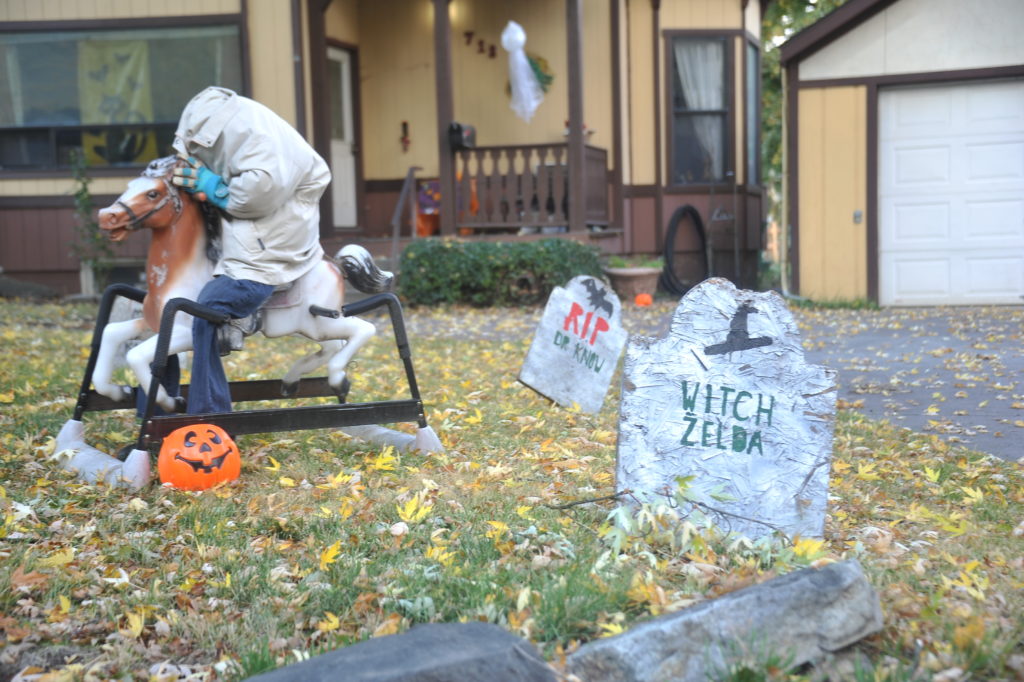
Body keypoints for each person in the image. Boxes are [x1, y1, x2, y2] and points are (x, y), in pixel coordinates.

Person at [170, 86, 331, 415]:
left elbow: (253, 196)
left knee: (207, 308)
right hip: (253, 240)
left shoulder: (261, 151)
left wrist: (211, 185)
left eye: (202, 148)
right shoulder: (236, 122)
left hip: (264, 256)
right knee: (168, 309)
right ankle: (159, 407)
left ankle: (210, 413)